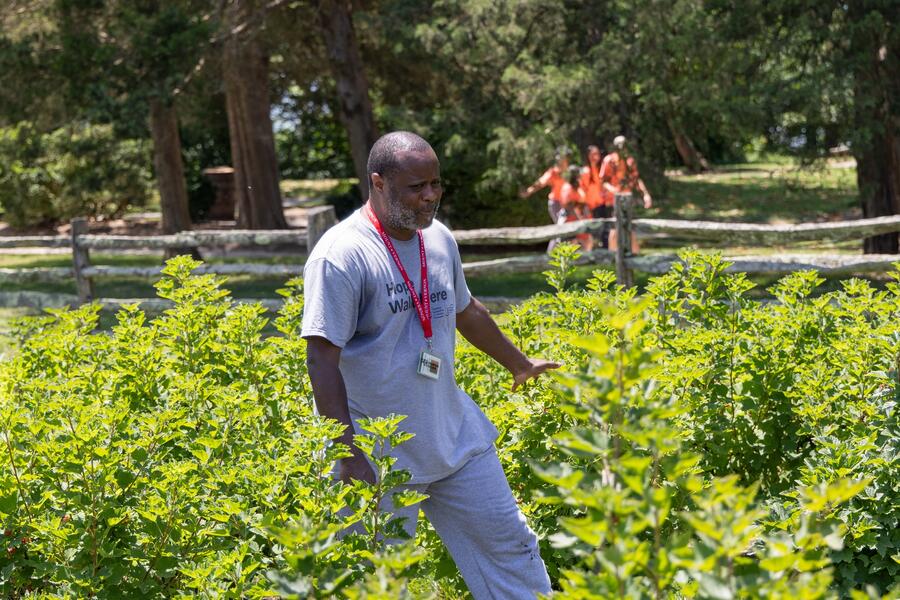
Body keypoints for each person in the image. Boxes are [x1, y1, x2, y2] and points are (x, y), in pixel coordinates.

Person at [302, 131, 559, 599]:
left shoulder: (437, 238)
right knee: (372, 583)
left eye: (436, 184)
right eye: (416, 187)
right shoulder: (342, 256)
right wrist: (347, 453)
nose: (430, 197)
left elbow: (464, 309)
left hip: (453, 436)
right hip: (377, 453)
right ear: (378, 183)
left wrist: (519, 363)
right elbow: (321, 359)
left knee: (512, 549)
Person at [600, 135, 653, 252]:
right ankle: (612, 257)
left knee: (630, 228)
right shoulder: (609, 160)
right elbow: (603, 181)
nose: (622, 148)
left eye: (624, 145)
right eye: (619, 145)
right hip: (613, 200)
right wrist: (613, 190)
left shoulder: (630, 161)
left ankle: (635, 255)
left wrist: (645, 194)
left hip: (627, 200)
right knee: (614, 229)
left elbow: (636, 180)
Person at [520, 147, 570, 224]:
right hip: (556, 203)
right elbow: (540, 183)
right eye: (561, 157)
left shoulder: (571, 172)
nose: (562, 160)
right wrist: (528, 191)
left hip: (569, 203)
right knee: (562, 224)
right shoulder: (552, 172)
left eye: (565, 157)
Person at [580, 145, 612, 248]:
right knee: (592, 232)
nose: (596, 156)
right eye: (593, 154)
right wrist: (585, 206)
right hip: (590, 207)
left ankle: (605, 251)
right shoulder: (585, 171)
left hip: (602, 204)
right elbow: (582, 190)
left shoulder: (600, 169)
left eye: (597, 154)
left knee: (605, 230)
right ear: (588, 155)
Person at [558, 165, 594, 252]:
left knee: (587, 243)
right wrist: (579, 219)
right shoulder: (567, 188)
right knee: (570, 249)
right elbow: (568, 206)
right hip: (569, 222)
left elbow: (582, 203)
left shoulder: (578, 187)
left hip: (578, 221)